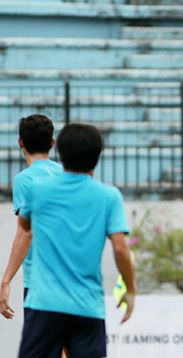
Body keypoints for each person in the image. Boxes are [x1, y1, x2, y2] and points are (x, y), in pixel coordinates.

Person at [5, 123, 136, 358]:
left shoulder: (37, 190)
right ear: (97, 156)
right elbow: (120, 248)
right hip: (87, 306)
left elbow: (25, 231)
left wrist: (6, 280)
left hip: (44, 303)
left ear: (60, 153)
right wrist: (131, 290)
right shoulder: (109, 196)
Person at [1, 114, 63, 316]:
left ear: (21, 142)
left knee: (43, 345)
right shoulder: (66, 173)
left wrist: (7, 279)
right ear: (52, 143)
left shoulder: (24, 180)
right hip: (69, 274)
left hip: (40, 278)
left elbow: (25, 233)